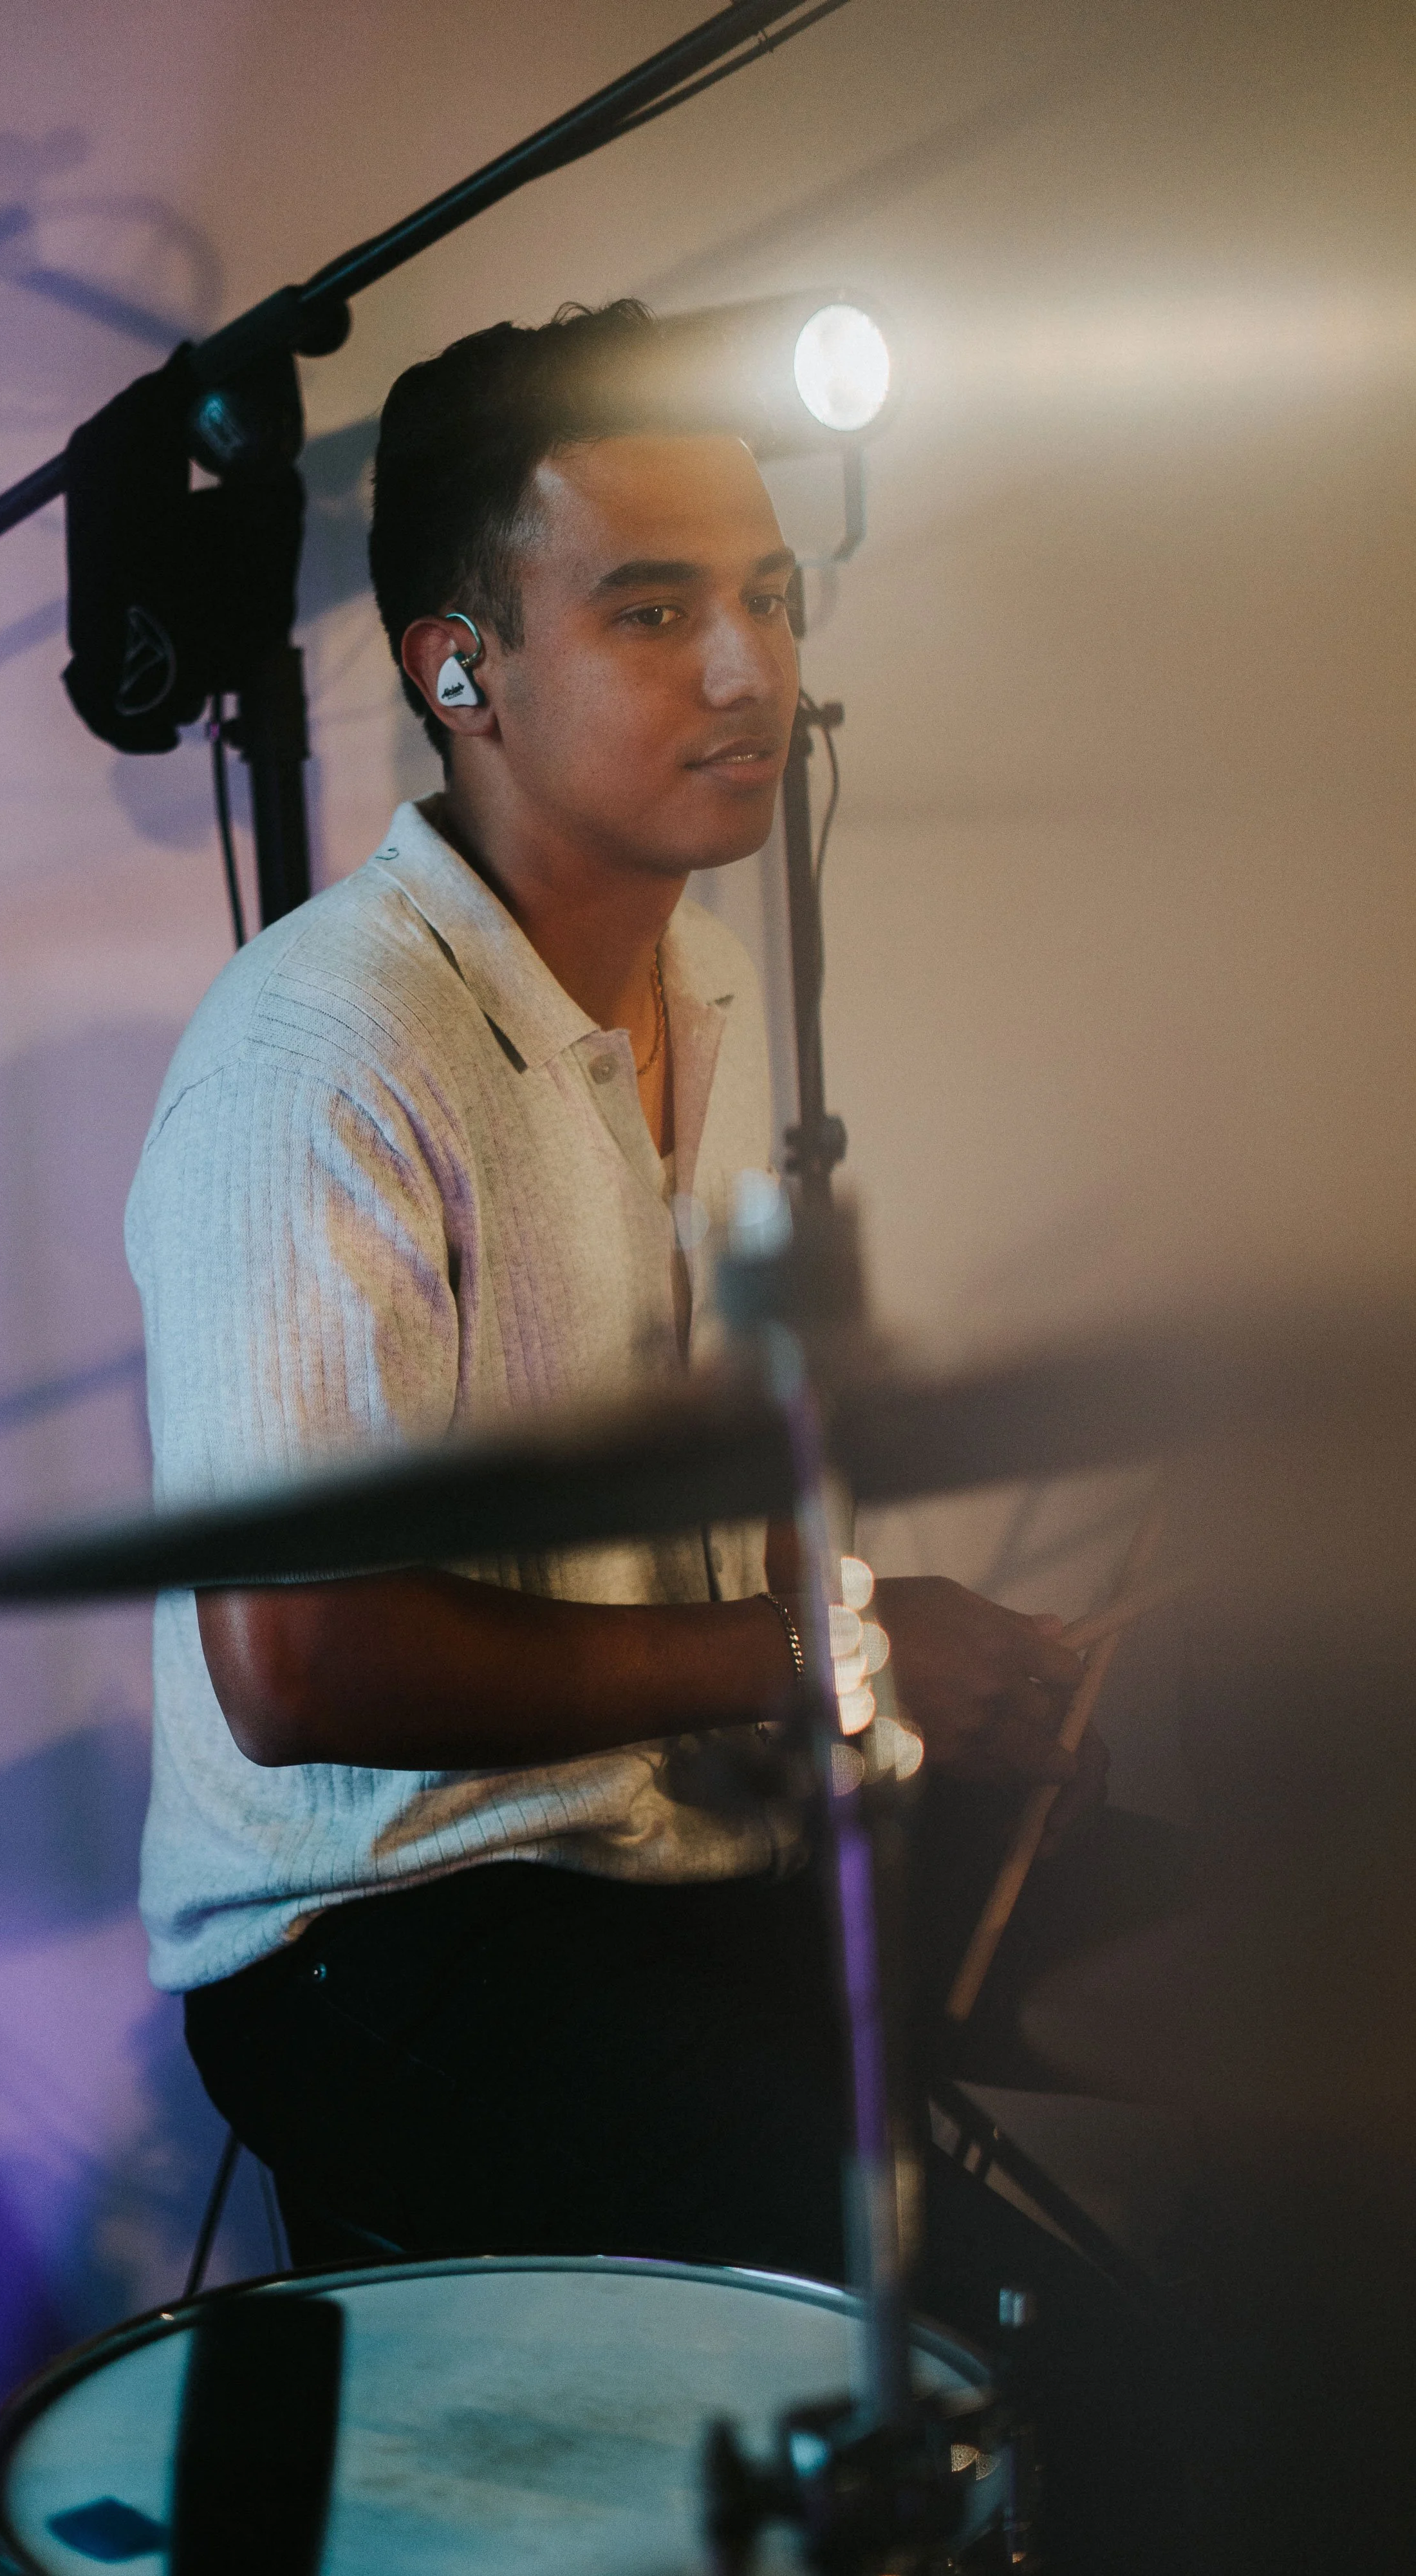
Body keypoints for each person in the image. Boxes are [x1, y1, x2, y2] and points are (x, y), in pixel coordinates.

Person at [127, 303, 1182, 2568]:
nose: (746, 671)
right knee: (917, 2359)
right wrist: (820, 1647)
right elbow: (294, 1665)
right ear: (456, 669)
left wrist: (919, 1701)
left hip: (655, 1849)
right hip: (388, 1944)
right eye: (652, 606)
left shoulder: (682, 985)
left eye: (769, 596)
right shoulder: (322, 1051)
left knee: (1216, 1945)